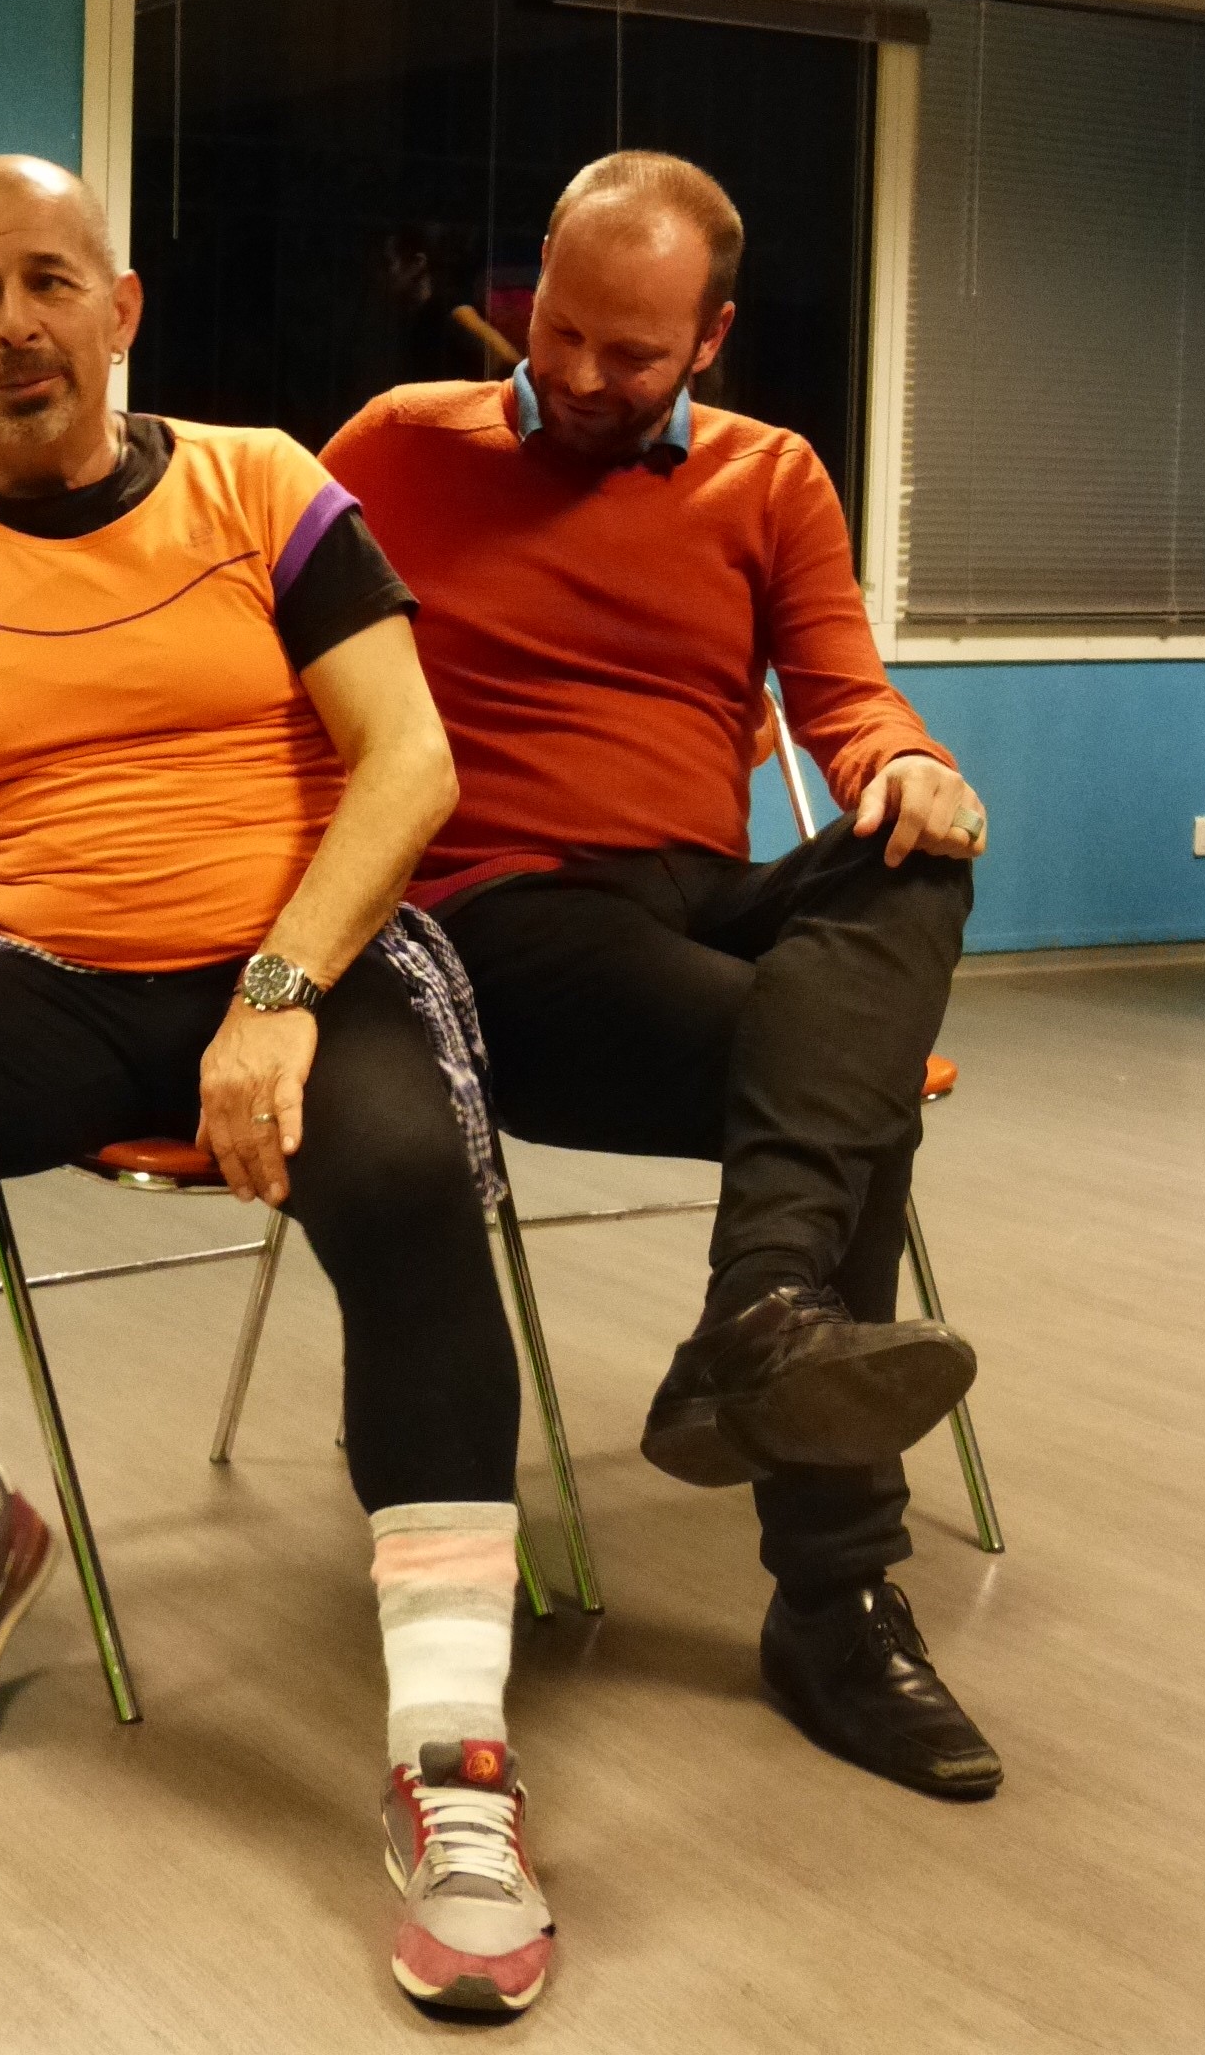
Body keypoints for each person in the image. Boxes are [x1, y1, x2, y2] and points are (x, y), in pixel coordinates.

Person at [0, 155, 554, 2014]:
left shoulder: (266, 486)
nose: (19, 324)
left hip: (318, 961)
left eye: (52, 281)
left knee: (403, 1180)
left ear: (122, 308)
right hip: (55, 972)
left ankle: (454, 1753)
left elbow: (408, 764)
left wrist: (281, 987)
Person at [324, 149, 1002, 1802]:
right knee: (838, 1081)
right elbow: (266, 663)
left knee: (915, 863)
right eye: (554, 327)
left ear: (709, 339)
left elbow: (845, 697)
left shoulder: (771, 477)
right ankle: (834, 1598)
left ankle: (760, 1317)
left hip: (700, 890)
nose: (574, 373)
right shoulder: (396, 447)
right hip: (501, 916)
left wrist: (907, 765)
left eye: (628, 354)